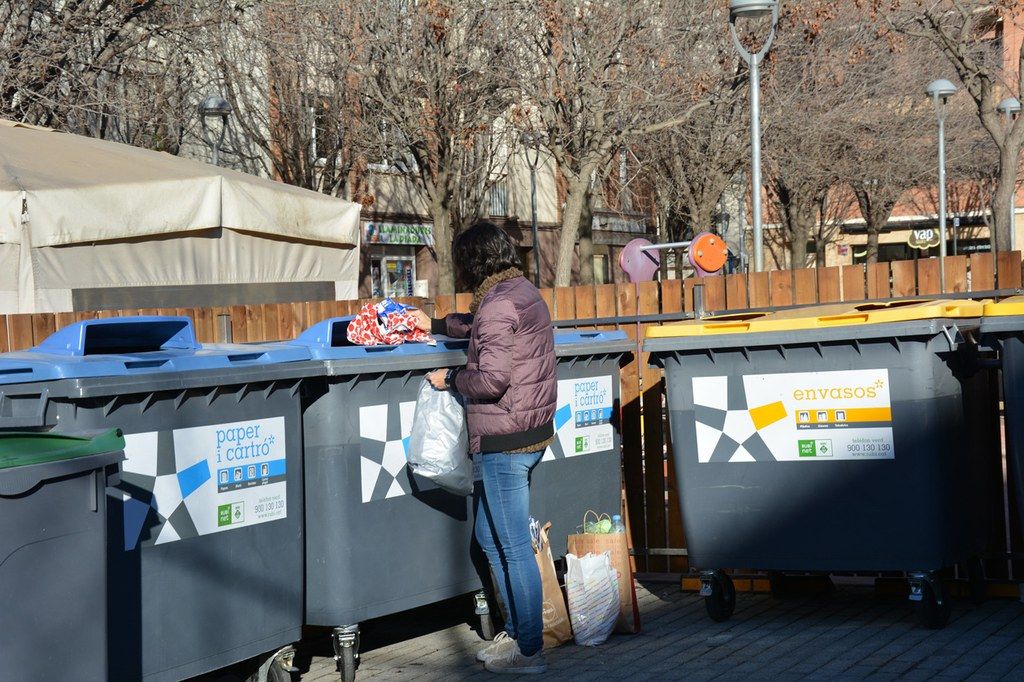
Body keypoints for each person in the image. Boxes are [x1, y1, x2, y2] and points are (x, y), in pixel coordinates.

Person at [411, 221, 556, 675]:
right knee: (490, 538)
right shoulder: (520, 292)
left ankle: (529, 651)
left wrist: (451, 379)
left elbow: (492, 379)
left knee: (511, 546)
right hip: (527, 431)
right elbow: (479, 328)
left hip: (504, 439)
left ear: (474, 262)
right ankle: (516, 633)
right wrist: (436, 325)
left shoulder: (497, 304)